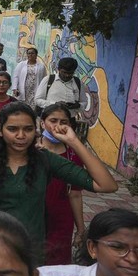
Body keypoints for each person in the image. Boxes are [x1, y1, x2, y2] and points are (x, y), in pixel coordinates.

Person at [0, 102, 118, 264]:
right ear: (0, 130)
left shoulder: (44, 159)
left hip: (31, 251)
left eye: (28, 129)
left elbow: (107, 185)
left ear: (35, 130)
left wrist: (74, 141)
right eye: (13, 129)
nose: (21, 135)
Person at [38, 104, 85, 265]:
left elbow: (76, 194)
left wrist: (80, 229)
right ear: (42, 123)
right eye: (53, 120)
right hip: (32, 213)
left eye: (63, 122)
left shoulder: (73, 155)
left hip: (61, 218)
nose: (58, 126)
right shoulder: (29, 149)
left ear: (70, 126)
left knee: (57, 262)